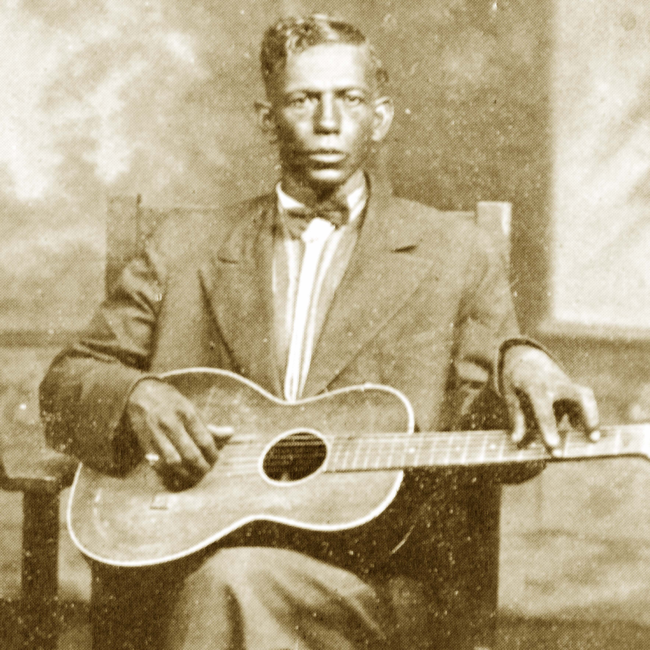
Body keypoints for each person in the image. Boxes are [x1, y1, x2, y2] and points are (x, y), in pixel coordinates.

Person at [40, 14, 599, 650]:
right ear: (266, 118)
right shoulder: (185, 246)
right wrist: (133, 397)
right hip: (187, 552)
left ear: (380, 116)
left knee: (233, 583)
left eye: (350, 99)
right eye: (304, 99)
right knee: (224, 579)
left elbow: (485, 439)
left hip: (371, 579)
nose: (328, 121)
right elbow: (67, 383)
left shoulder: (453, 252)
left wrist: (519, 363)